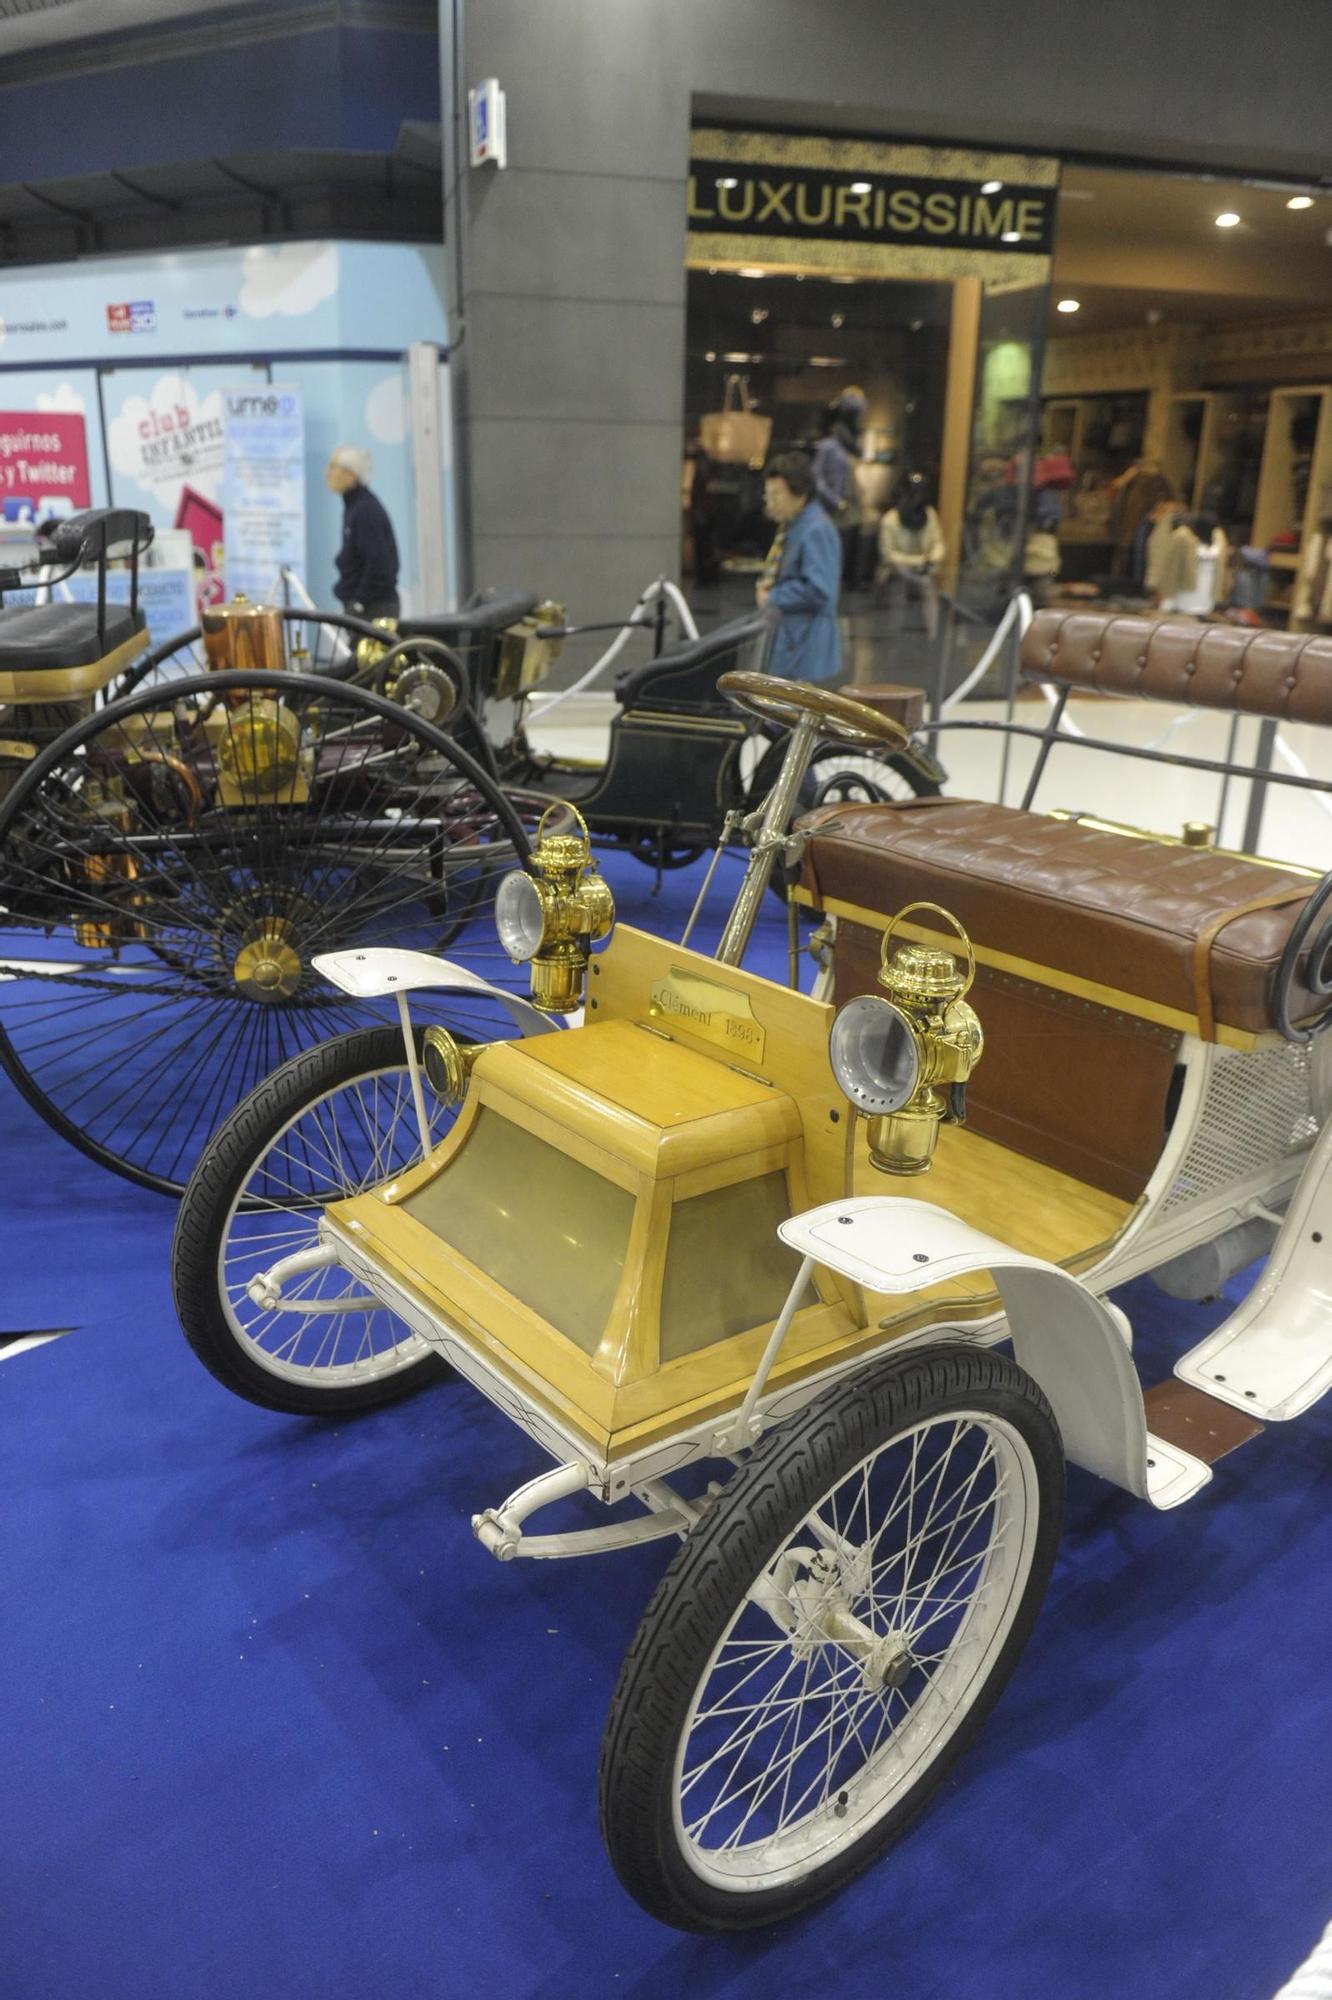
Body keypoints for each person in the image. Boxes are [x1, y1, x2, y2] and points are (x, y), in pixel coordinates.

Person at [755, 451, 842, 684]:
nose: (770, 502)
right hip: (794, 642)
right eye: (768, 494)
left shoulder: (816, 529)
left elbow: (820, 590)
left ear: (800, 492)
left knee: (792, 717)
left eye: (777, 494)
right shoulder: (796, 524)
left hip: (805, 648)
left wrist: (773, 595)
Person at [325, 445, 400, 619]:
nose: (327, 474)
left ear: (351, 476)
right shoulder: (354, 507)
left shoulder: (365, 510)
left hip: (374, 609)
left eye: (333, 468)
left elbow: (380, 564)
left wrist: (359, 602)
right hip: (366, 604)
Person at [876, 475, 946, 637]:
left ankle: (932, 633)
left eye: (919, 495)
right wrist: (919, 561)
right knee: (900, 585)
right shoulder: (890, 521)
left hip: (923, 568)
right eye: (912, 495)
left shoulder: (930, 515)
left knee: (928, 586)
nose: (916, 499)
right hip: (896, 570)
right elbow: (888, 555)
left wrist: (932, 558)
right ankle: (894, 632)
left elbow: (938, 543)